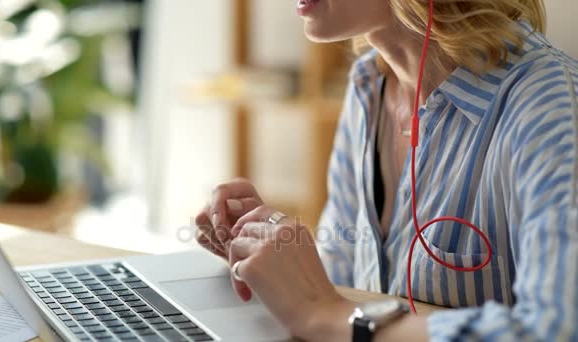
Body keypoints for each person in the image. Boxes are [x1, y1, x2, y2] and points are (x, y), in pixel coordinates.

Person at [194, 0, 578, 340]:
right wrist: (269, 252)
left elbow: (555, 329)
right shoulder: (368, 86)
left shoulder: (549, 99)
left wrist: (328, 316)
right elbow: (339, 280)